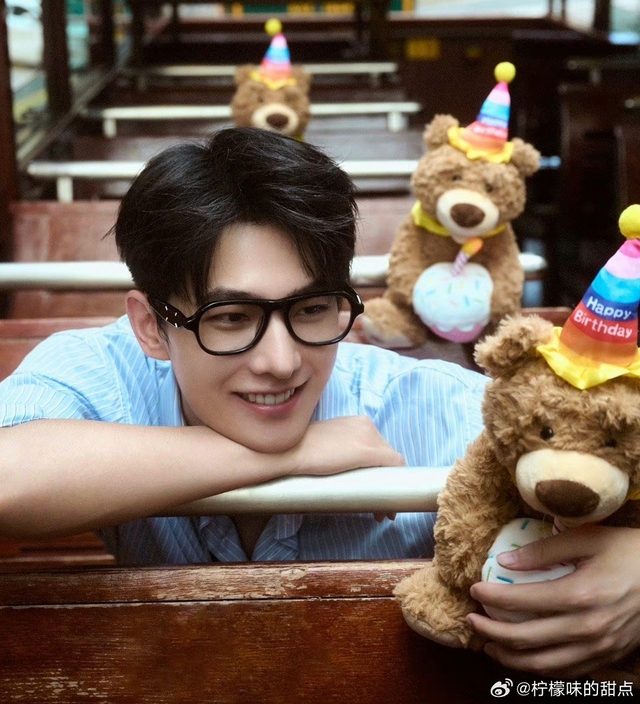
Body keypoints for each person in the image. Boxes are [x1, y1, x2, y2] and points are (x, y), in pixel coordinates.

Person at [0, 128, 484, 567]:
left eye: (311, 309)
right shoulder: (106, 373)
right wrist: (292, 454)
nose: (282, 362)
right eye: (231, 318)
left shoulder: (438, 412)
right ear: (149, 327)